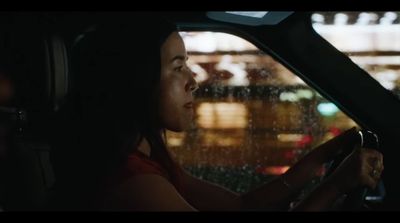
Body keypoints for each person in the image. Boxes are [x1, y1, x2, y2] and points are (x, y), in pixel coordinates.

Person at [51, 13, 384, 211]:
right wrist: (336, 186)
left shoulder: (146, 155)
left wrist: (326, 154)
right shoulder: (134, 183)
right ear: (137, 80)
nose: (193, 80)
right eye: (177, 66)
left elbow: (241, 207)